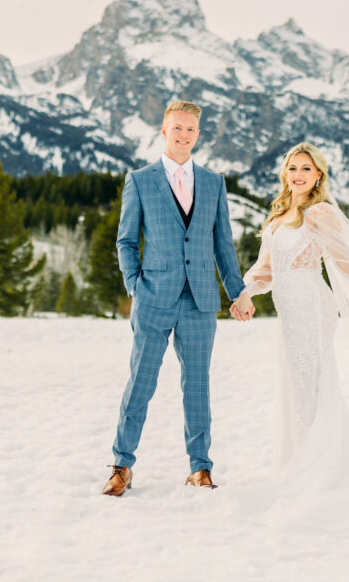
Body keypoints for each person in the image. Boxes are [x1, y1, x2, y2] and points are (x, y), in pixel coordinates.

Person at [234, 142, 349, 486]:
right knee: (295, 381)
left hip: (312, 305)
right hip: (287, 311)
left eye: (306, 169)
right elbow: (265, 268)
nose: (298, 175)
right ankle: (300, 460)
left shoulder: (320, 213)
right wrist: (243, 294)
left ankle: (316, 468)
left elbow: (343, 258)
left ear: (318, 174)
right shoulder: (277, 216)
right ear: (284, 173)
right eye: (293, 168)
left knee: (311, 381)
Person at [102, 100, 254, 497]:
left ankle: (200, 468)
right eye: (177, 128)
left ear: (198, 135)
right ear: (164, 131)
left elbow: (224, 246)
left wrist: (237, 291)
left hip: (201, 300)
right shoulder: (139, 180)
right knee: (141, 381)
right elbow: (125, 240)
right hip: (154, 297)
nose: (184, 135)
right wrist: (135, 285)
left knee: (198, 384)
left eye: (191, 129)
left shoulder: (214, 182)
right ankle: (122, 465)